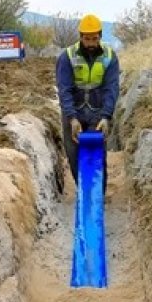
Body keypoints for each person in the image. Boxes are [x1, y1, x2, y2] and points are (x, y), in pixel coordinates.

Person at [55, 14, 119, 194]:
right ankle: (83, 191)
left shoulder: (109, 56)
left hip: (97, 111)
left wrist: (106, 116)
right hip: (73, 110)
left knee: (96, 153)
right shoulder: (67, 57)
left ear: (100, 36)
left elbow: (111, 88)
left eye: (94, 39)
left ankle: (98, 195)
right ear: (81, 37)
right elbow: (64, 89)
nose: (91, 43)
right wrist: (72, 118)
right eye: (87, 39)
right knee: (74, 154)